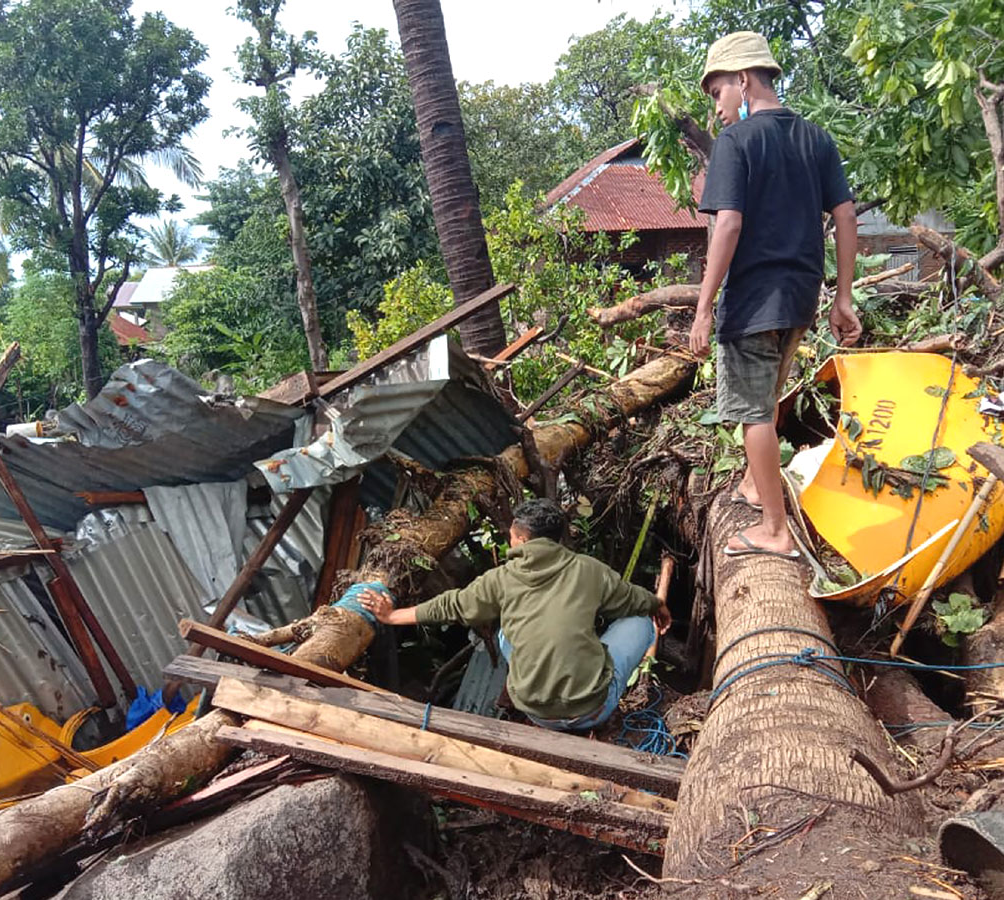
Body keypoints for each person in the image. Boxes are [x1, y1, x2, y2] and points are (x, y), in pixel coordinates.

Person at [689, 31, 862, 559]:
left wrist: (703, 305)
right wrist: (844, 297)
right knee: (764, 401)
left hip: (753, 301)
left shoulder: (736, 144)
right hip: (801, 298)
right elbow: (847, 216)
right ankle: (752, 483)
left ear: (742, 81)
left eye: (717, 93)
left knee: (752, 414)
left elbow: (728, 226)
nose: (717, 108)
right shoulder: (816, 138)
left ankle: (774, 529)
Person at [357, 498, 671, 733]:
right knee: (640, 622)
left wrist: (393, 616)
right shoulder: (589, 570)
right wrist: (658, 606)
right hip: (591, 709)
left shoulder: (501, 579)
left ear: (520, 538)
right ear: (558, 537)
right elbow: (634, 600)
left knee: (506, 632)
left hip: (536, 711)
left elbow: (451, 605)